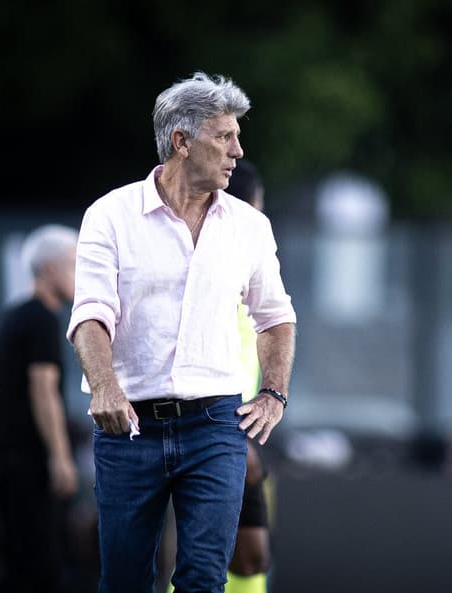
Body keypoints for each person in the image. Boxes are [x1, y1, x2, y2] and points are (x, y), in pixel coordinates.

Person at [67, 72, 296, 593]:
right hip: (127, 426)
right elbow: (89, 316)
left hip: (216, 423)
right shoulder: (110, 215)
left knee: (202, 580)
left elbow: (276, 317)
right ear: (181, 141)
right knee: (124, 581)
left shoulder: (250, 225)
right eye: (225, 136)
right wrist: (103, 385)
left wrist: (274, 392)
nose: (238, 150)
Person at [156, 159, 275, 593]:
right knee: (235, 557)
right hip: (222, 429)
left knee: (234, 557)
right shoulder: (223, 263)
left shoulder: (248, 260)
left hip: (234, 428)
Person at [0, 224, 81, 593]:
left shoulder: (16, 315)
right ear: (49, 269)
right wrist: (60, 457)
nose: (81, 275)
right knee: (40, 567)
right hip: (30, 462)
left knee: (22, 561)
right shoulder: (41, 319)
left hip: (9, 459)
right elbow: (43, 390)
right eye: (74, 264)